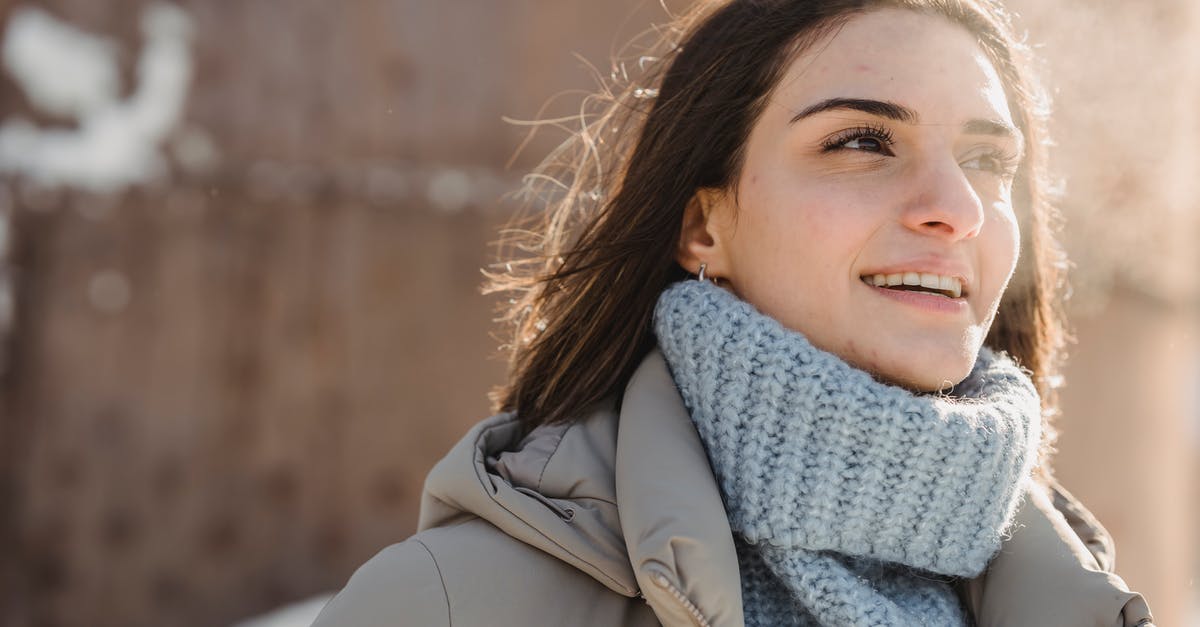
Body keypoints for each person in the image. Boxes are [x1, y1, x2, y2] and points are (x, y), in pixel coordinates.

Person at [314, 0, 1156, 625]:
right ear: (704, 224)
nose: (955, 207)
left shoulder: (1085, 600)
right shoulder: (448, 605)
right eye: (861, 140)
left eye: (985, 158)